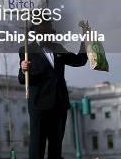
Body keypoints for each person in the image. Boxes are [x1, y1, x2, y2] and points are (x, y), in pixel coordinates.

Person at [18, 19, 89, 159]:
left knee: (56, 147)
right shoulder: (26, 50)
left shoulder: (58, 48)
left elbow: (79, 61)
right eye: (43, 30)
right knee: (37, 146)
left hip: (59, 104)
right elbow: (22, 79)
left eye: (49, 30)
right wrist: (23, 69)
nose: (47, 34)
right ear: (36, 32)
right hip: (39, 105)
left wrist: (86, 39)